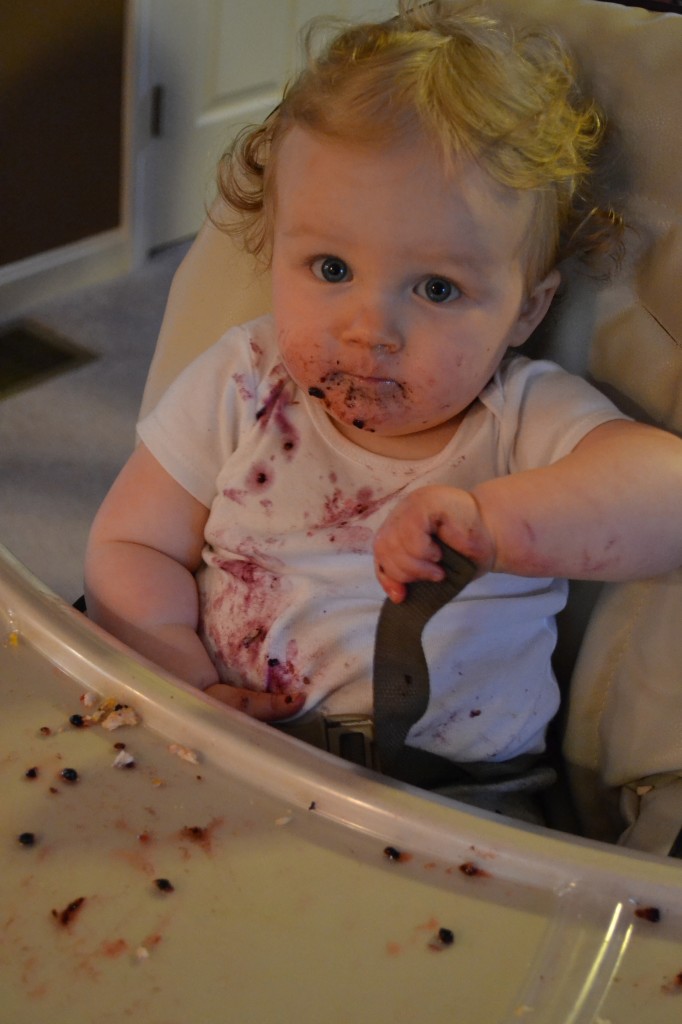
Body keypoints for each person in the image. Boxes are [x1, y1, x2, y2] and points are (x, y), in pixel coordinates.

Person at [85, 1, 682, 793]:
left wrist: (496, 525)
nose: (372, 330)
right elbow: (131, 548)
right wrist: (181, 679)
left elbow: (669, 499)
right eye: (331, 269)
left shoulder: (523, 420)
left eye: (437, 287)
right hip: (230, 754)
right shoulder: (246, 380)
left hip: (460, 804)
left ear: (526, 310)